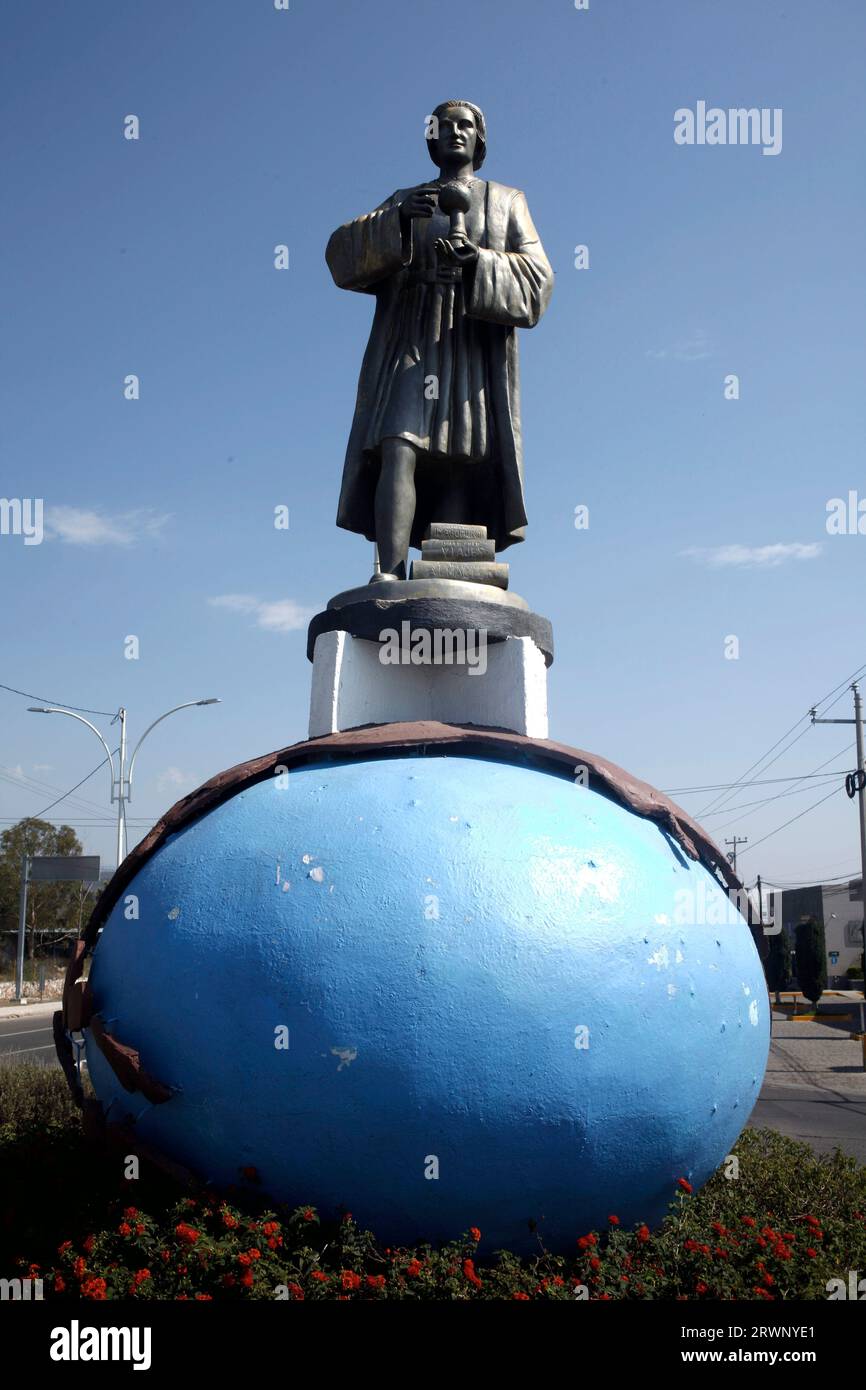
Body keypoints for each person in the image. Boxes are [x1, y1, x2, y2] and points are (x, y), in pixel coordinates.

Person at [326, 99, 554, 581]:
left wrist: (478, 261)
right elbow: (341, 257)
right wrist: (395, 223)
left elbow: (539, 281)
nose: (454, 132)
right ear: (431, 137)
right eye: (444, 126)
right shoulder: (407, 199)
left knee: (458, 454)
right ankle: (388, 570)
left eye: (465, 125)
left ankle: (450, 575)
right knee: (398, 440)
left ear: (480, 138)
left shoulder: (507, 201)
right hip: (413, 336)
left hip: (469, 342)